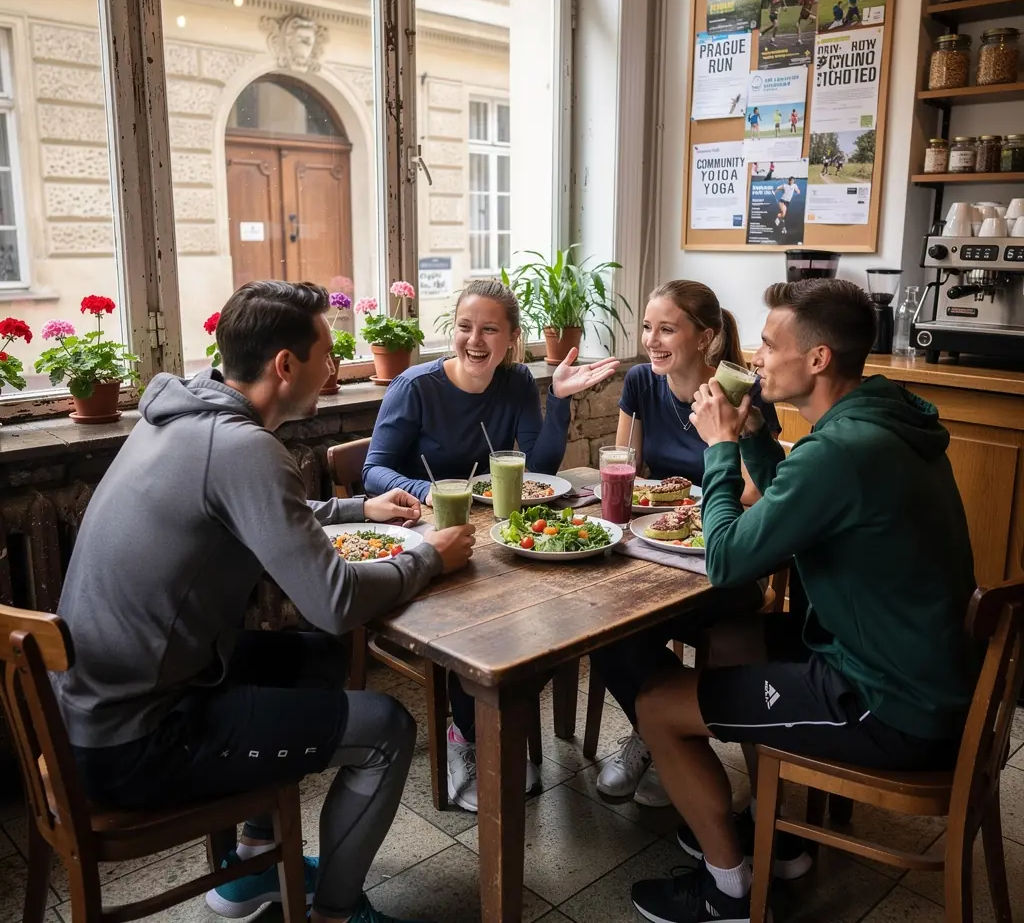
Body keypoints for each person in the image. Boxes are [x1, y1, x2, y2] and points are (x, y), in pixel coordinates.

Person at [53, 281, 477, 923]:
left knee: (315, 661)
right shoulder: (245, 449)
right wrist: (428, 556)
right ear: (286, 365)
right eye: (328, 354)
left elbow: (248, 513)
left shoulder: (181, 417)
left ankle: (253, 867)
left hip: (90, 712)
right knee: (388, 728)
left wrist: (358, 507)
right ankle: (337, 910)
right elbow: (334, 601)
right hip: (135, 741)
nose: (335, 367)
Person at [629, 279, 977, 923]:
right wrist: (756, 435)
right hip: (913, 663)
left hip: (886, 701)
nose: (756, 358)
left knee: (655, 703)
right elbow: (797, 494)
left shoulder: (841, 452)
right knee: (738, 640)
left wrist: (722, 450)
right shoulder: (880, 417)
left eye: (768, 344)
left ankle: (725, 891)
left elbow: (729, 561)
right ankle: (775, 836)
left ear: (817, 360)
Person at [362, 278, 619, 812]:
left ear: (512, 339)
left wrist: (561, 401)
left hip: (498, 535)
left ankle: (501, 721)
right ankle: (466, 739)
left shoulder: (520, 380)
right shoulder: (414, 386)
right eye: (464, 327)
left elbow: (540, 468)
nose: (474, 340)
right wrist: (432, 490)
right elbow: (373, 471)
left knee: (552, 610)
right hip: (431, 532)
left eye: (489, 330)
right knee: (471, 622)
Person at [592, 281, 779, 807]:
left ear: (706, 337)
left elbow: (755, 490)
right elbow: (625, 466)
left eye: (667, 328)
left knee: (641, 631)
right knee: (606, 631)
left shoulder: (740, 393)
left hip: (722, 562)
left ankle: (668, 736)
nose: (652, 340)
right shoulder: (639, 383)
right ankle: (657, 735)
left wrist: (696, 496)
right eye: (648, 327)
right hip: (657, 548)